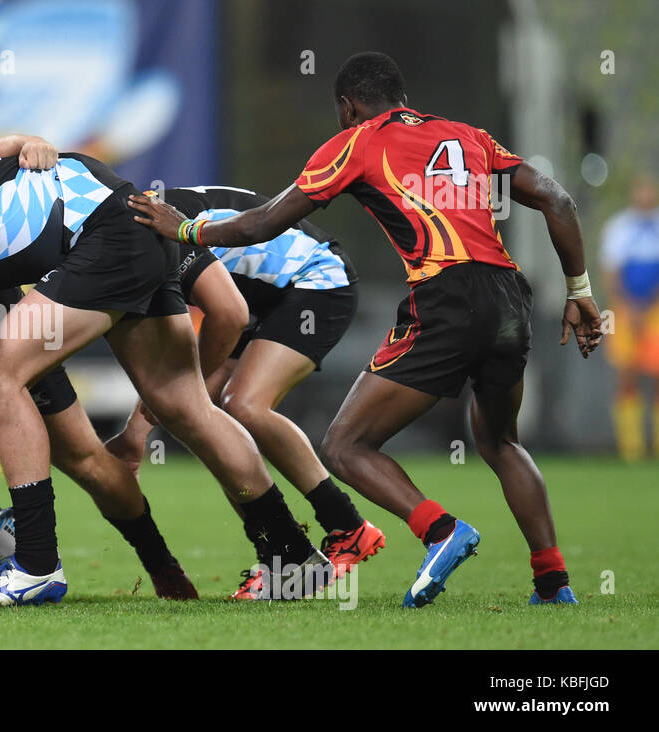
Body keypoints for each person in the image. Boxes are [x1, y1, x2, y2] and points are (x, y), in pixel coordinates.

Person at [128, 51, 602, 607]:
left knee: (346, 445)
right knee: (501, 441)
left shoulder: (356, 142)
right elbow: (557, 199)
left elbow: (263, 223)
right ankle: (553, 585)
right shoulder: (468, 136)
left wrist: (186, 228)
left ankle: (440, 530)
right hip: (509, 298)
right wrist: (580, 292)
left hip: (446, 296)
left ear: (348, 106)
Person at [0, 144, 329, 606]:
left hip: (105, 236)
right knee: (185, 406)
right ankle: (292, 558)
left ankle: (35, 565)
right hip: (132, 217)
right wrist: (25, 141)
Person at [107, 184, 383, 599]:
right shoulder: (128, 226)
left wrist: (180, 393)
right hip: (259, 298)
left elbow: (225, 322)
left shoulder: (147, 231)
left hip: (316, 279)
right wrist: (135, 436)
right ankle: (279, 556)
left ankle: (348, 526)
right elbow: (176, 381)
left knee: (243, 404)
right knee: (205, 423)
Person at [601, 173, 659, 460]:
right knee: (627, 374)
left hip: (656, 309)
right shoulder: (620, 227)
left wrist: (649, 304)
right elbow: (611, 272)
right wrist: (629, 306)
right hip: (626, 310)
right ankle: (632, 450)